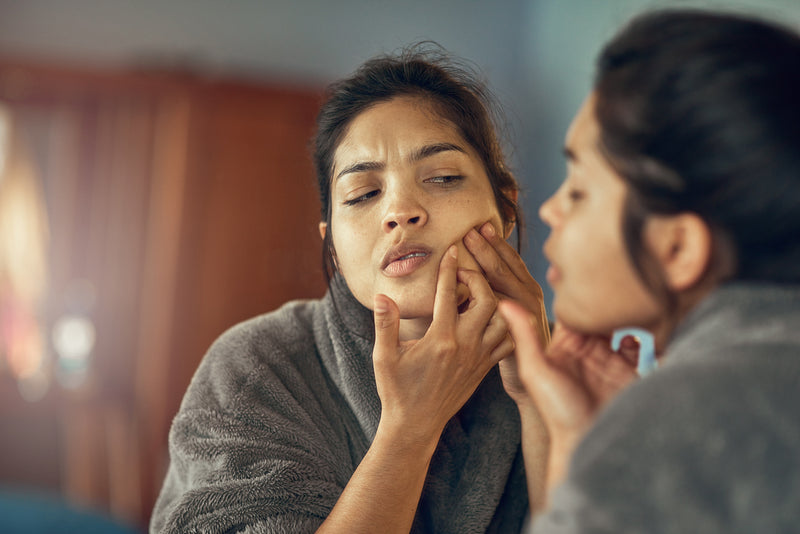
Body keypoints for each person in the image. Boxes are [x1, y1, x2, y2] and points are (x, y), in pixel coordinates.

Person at [150, 46, 551, 533]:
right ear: (333, 246)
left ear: (504, 212)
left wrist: (540, 399)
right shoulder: (259, 367)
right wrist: (410, 429)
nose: (400, 211)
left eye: (443, 178)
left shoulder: (570, 371)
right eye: (363, 194)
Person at [499, 9, 800, 533]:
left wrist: (620, 449)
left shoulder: (676, 425)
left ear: (679, 247)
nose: (547, 210)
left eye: (578, 190)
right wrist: (580, 440)